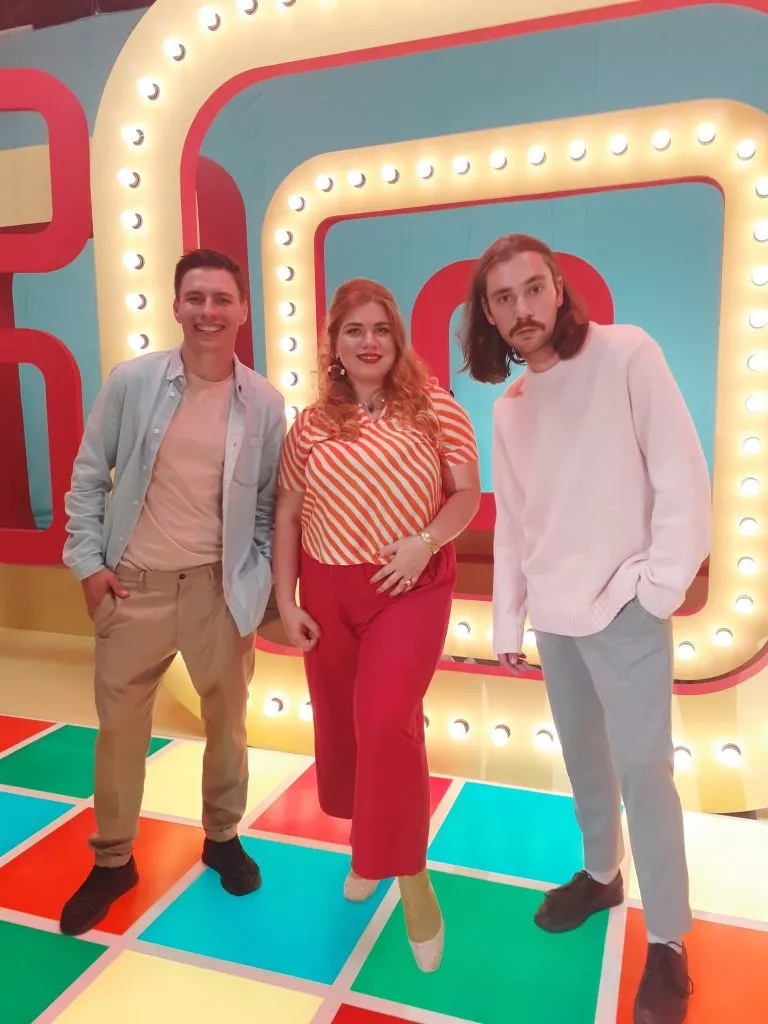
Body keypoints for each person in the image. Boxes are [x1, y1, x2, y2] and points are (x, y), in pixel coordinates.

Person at [460, 234, 710, 1024]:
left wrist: (658, 588)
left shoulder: (627, 353)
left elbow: (682, 474)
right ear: (489, 315)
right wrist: (509, 616)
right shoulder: (511, 406)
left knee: (644, 772)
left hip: (626, 605)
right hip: (556, 615)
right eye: (504, 298)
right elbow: (516, 521)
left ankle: (667, 938)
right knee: (584, 760)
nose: (522, 308)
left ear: (559, 289)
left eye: (533, 289)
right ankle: (602, 875)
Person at [59, 248, 285, 936]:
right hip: (134, 589)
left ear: (243, 310)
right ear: (176, 305)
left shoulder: (265, 402)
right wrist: (88, 565)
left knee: (229, 726)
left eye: (222, 299)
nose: (208, 311)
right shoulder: (132, 383)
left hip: (219, 592)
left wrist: (254, 582)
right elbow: (89, 476)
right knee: (120, 734)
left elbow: (269, 505)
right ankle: (113, 860)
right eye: (196, 298)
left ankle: (222, 837)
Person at [273, 278, 480, 972]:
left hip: (409, 585)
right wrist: (286, 599)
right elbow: (288, 515)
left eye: (381, 329)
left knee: (386, 718)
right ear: (334, 343)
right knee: (343, 724)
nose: (368, 342)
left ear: (398, 339)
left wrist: (425, 541)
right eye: (354, 330)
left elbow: (465, 494)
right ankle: (370, 847)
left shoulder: (436, 409)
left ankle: (411, 878)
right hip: (327, 589)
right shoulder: (309, 425)